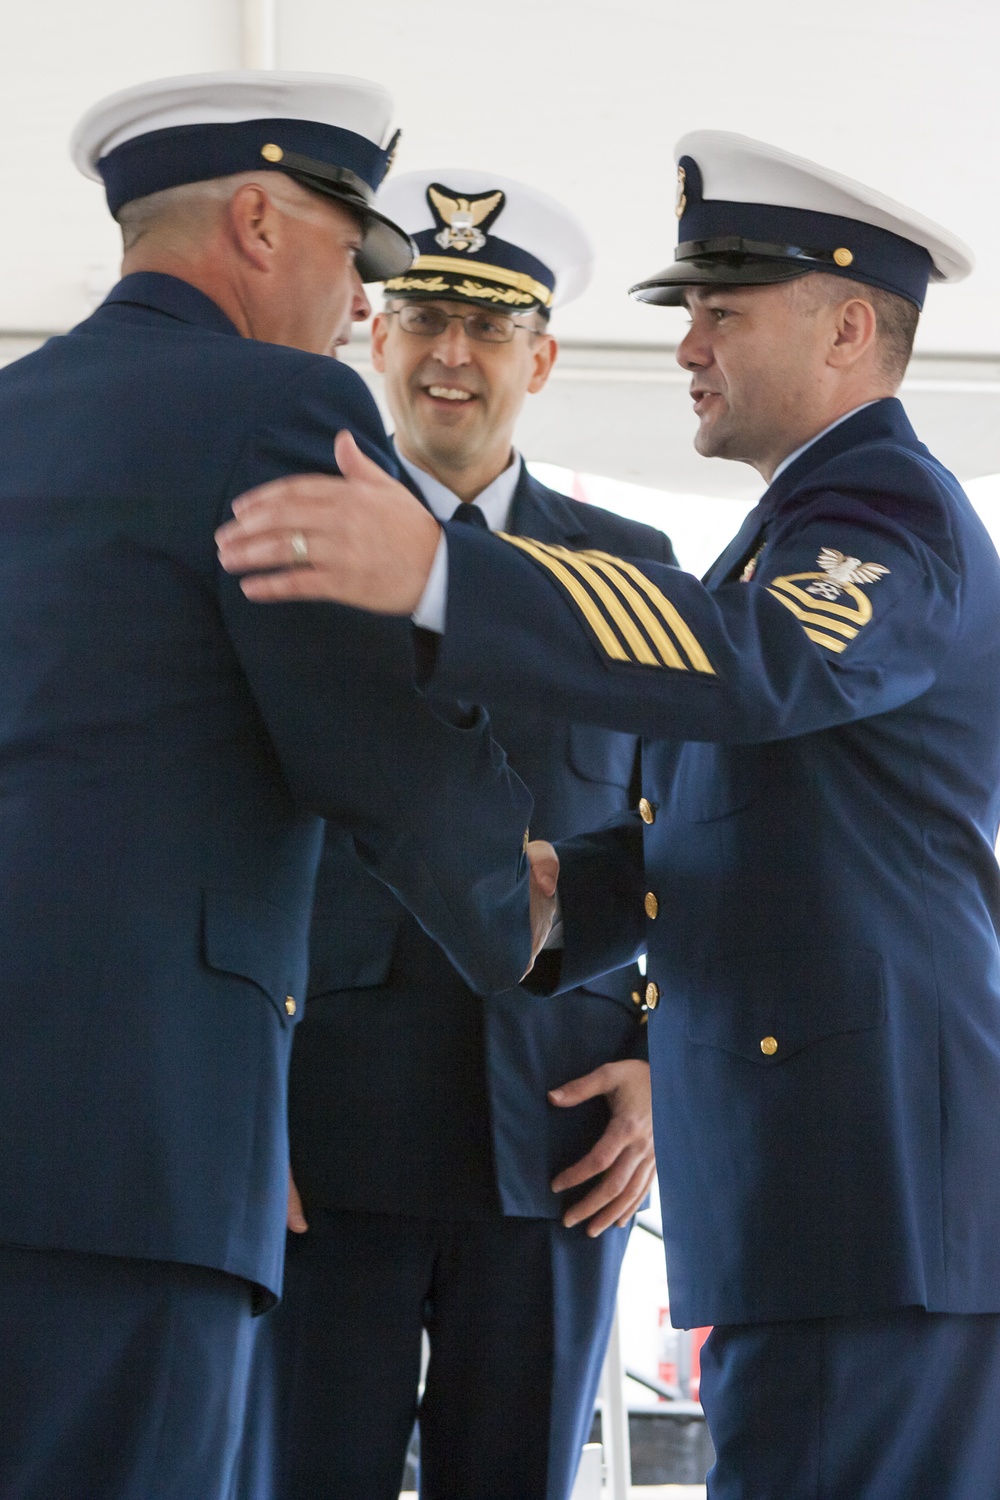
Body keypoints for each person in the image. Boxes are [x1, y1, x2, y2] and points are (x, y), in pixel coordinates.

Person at [216, 132, 1000, 1499]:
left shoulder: (881, 515)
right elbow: (744, 827)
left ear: (851, 327)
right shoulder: (801, 523)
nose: (689, 345)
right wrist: (559, 902)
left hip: (865, 1187)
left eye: (722, 312)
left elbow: (767, 661)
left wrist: (451, 576)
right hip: (815, 1192)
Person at [0, 72, 543, 1500]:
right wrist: (529, 911)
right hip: (137, 1157)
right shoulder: (274, 407)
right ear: (254, 219)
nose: (365, 307)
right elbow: (381, 747)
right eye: (355, 257)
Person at [237, 169, 673, 1500]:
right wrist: (240, 1116)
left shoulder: (632, 572)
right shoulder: (277, 545)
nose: (450, 354)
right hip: (325, 1142)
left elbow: (695, 840)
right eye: (424, 316)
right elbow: (217, 845)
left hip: (557, 1143)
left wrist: (664, 1065)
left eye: (488, 327)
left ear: (542, 356)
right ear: (375, 334)